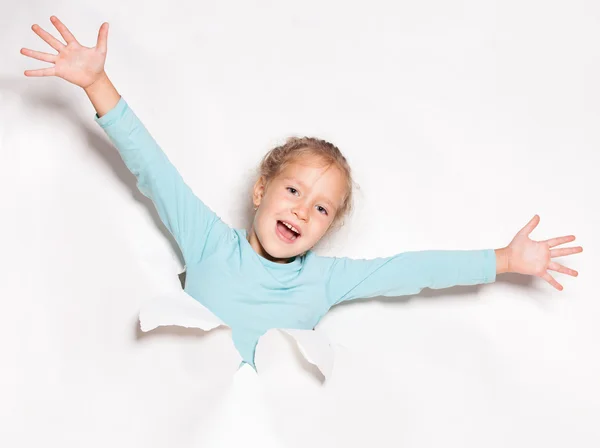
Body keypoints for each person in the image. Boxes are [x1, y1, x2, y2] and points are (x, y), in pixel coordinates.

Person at [21, 16, 583, 370]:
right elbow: (153, 168)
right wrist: (97, 83)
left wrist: (505, 259)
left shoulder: (324, 279)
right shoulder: (211, 243)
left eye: (320, 208)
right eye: (292, 189)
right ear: (262, 189)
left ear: (329, 227)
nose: (301, 209)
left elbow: (412, 269)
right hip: (186, 394)